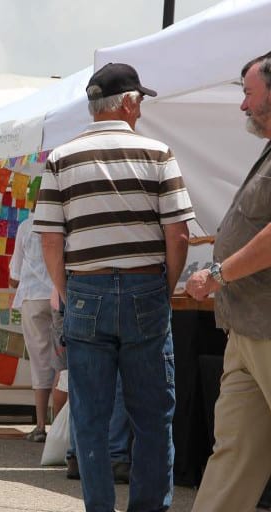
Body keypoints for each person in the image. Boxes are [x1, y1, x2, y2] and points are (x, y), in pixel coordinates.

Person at [34, 63, 193, 511]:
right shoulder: (158, 153)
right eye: (138, 101)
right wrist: (165, 285)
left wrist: (68, 291)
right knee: (152, 416)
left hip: (86, 289)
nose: (140, 109)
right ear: (126, 103)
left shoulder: (61, 158)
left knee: (90, 417)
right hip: (146, 289)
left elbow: (49, 237)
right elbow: (177, 234)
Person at [185, 52, 271, 512]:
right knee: (233, 450)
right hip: (248, 326)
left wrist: (219, 273)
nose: (242, 106)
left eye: (247, 93)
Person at [9, 212, 64, 443]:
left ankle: (40, 425)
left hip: (32, 297)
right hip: (59, 295)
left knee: (40, 362)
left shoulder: (25, 226)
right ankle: (60, 425)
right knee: (62, 361)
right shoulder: (64, 223)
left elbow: (14, 275)